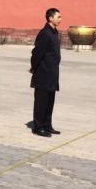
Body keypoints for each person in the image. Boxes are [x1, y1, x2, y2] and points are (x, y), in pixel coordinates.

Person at [30, 8, 62, 137]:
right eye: (58, 17)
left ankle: (47, 125)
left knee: (50, 101)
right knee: (41, 102)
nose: (60, 19)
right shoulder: (45, 33)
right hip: (43, 72)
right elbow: (37, 53)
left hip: (52, 73)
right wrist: (34, 67)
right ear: (50, 18)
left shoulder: (54, 32)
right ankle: (38, 127)